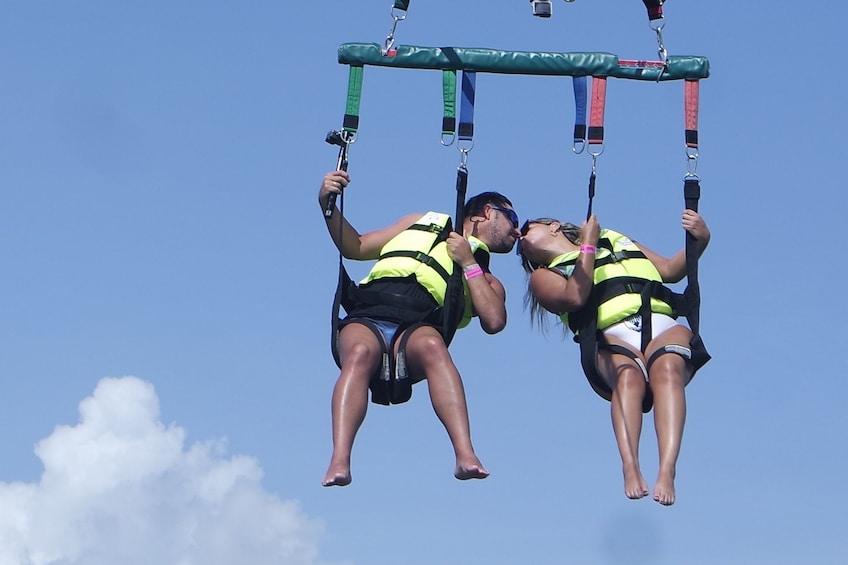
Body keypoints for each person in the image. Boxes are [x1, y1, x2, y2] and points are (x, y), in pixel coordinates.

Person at [318, 169, 521, 487]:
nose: (518, 231)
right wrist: (327, 205)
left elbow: (494, 321)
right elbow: (355, 246)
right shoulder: (419, 220)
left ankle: (465, 455)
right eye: (513, 219)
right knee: (359, 353)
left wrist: (468, 262)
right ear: (487, 212)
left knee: (433, 348)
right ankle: (339, 460)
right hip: (370, 311)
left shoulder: (487, 279)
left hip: (419, 326)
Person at [516, 210, 710, 505]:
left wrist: (701, 239)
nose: (519, 235)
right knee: (628, 378)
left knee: (668, 370)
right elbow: (574, 297)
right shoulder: (544, 276)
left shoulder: (616, 239)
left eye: (526, 227)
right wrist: (588, 247)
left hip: (660, 322)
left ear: (553, 226)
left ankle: (667, 469)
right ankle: (630, 466)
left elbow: (670, 269)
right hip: (611, 337)